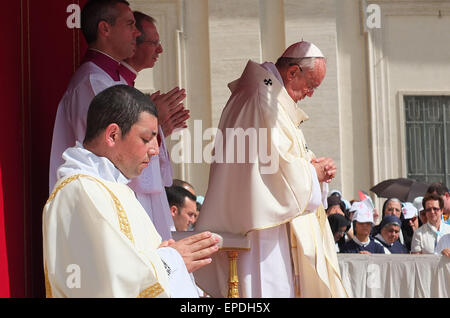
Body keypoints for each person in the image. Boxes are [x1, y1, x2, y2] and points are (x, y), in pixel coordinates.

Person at [195, 41, 347, 298]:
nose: (310, 94)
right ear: (292, 73)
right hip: (261, 228)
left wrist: (313, 166)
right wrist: (313, 174)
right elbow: (275, 171)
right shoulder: (264, 99)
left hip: (264, 219)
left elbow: (280, 158)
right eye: (311, 85)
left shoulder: (267, 93)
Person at [43, 85, 219, 297]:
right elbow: (106, 280)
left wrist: (163, 254)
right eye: (146, 139)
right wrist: (172, 261)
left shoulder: (113, 188)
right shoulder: (81, 191)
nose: (154, 150)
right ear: (113, 134)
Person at [49, 0, 140, 192]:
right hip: (96, 191)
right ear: (105, 29)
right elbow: (108, 148)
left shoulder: (110, 78)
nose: (136, 33)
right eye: (130, 24)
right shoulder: (92, 81)